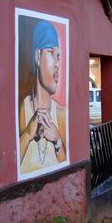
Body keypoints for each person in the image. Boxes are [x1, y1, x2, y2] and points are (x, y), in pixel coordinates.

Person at [19, 20, 67, 173]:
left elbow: (67, 170)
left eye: (58, 56)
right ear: (38, 56)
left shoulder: (61, 114)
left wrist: (58, 140)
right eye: (51, 53)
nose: (57, 64)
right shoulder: (22, 109)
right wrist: (28, 133)